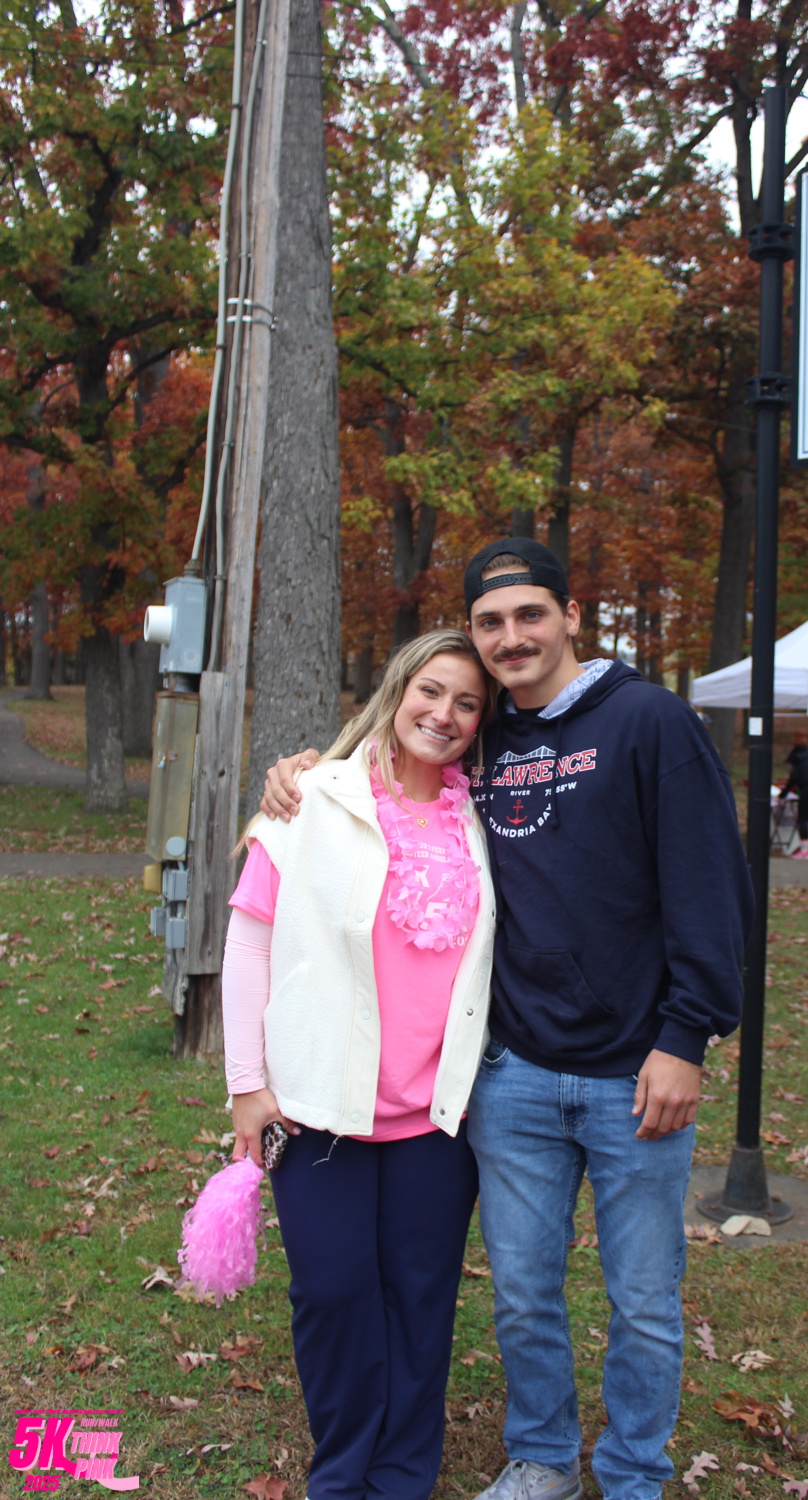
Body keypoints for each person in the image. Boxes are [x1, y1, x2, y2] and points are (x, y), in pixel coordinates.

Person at [261, 541, 753, 1500]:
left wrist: (685, 1038)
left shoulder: (649, 721)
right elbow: (394, 768)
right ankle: (543, 1459)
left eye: (530, 614)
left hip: (635, 1072)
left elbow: (709, 886)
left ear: (572, 616)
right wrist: (302, 770)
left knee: (643, 1299)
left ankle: (633, 1473)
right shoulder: (481, 739)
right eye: (490, 622)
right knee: (524, 1296)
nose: (511, 636)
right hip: (511, 1071)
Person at [223, 629, 495, 1500]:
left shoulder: (484, 819)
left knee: (421, 1303)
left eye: (467, 703)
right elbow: (249, 943)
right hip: (319, 1110)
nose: (443, 714)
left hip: (436, 1120)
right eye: (431, 691)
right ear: (396, 689)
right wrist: (247, 1086)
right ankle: (341, 1475)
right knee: (333, 1293)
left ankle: (402, 1477)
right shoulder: (313, 797)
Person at [778, 730, 808, 859]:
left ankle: (805, 850)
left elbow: (794, 777)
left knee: (803, 818)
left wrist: (783, 793)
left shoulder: (796, 757)